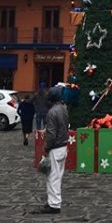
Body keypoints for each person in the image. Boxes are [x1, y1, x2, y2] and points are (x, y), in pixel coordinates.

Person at [32, 85, 68, 214]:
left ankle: (54, 204)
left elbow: (51, 134)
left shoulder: (52, 112)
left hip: (56, 147)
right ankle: (54, 202)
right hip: (63, 146)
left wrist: (46, 148)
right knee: (57, 176)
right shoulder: (63, 109)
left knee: (52, 177)